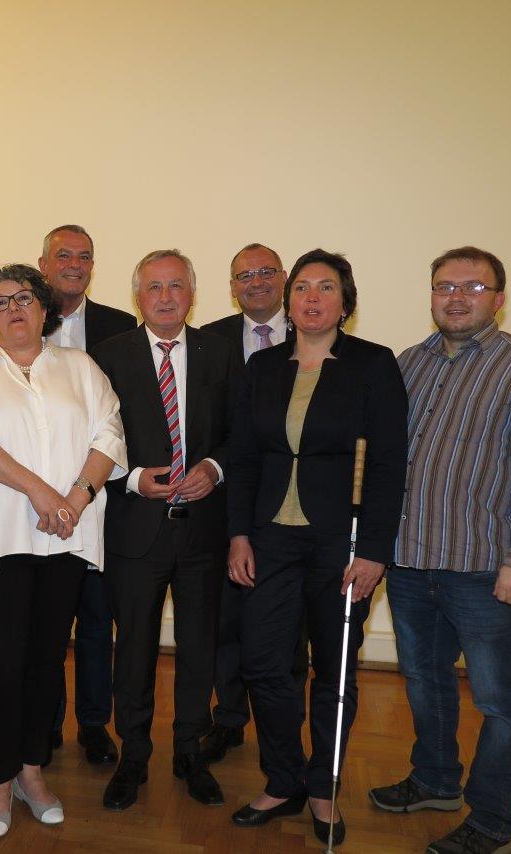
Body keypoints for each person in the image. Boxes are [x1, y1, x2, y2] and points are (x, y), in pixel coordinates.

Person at [369, 247, 511, 854]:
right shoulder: (410, 363)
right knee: (425, 683)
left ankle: (491, 820)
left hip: (485, 569)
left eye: (472, 287)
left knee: (500, 703)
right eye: (443, 287)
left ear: (498, 298)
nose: (456, 298)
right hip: (410, 562)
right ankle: (434, 781)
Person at [226, 249, 407, 846]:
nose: (311, 297)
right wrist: (238, 535)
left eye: (325, 287)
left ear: (345, 301)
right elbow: (246, 459)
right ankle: (284, 780)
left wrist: (375, 551)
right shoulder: (264, 367)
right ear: (288, 299)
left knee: (334, 670)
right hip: (271, 540)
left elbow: (387, 465)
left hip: (343, 544)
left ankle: (323, 788)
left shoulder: (374, 366)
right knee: (264, 664)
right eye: (301, 287)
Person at [0, 264, 126, 838]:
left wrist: (73, 499)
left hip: (67, 539)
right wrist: (40, 491)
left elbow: (110, 435)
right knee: (2, 666)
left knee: (48, 664)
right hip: (3, 542)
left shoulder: (80, 366)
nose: (14, 308)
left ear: (45, 309)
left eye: (24, 298)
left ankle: (31, 772)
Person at [91, 249, 240, 811]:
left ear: (192, 293)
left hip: (204, 532)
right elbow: (94, 440)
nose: (166, 297)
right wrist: (130, 480)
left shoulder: (220, 354)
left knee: (199, 647)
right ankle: (133, 756)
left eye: (176, 285)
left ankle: (188, 751)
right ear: (138, 297)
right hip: (136, 530)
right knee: (132, 650)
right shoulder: (107, 357)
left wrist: (214, 468)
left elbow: (239, 435)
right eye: (154, 287)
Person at [37, 224, 135, 766]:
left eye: (85, 257)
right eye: (63, 255)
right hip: (31, 500)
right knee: (46, 622)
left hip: (97, 500)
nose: (75, 264)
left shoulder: (120, 327)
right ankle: (46, 722)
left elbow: (125, 416)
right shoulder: (18, 321)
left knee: (97, 621)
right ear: (44, 262)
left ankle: (94, 725)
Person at [199, 242, 300, 766]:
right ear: (232, 286)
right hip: (224, 502)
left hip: (293, 506)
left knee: (290, 623)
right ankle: (229, 718)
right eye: (244, 276)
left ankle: (287, 725)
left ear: (283, 277)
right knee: (228, 619)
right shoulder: (211, 340)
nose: (255, 282)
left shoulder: (312, 332)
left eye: (265, 273)